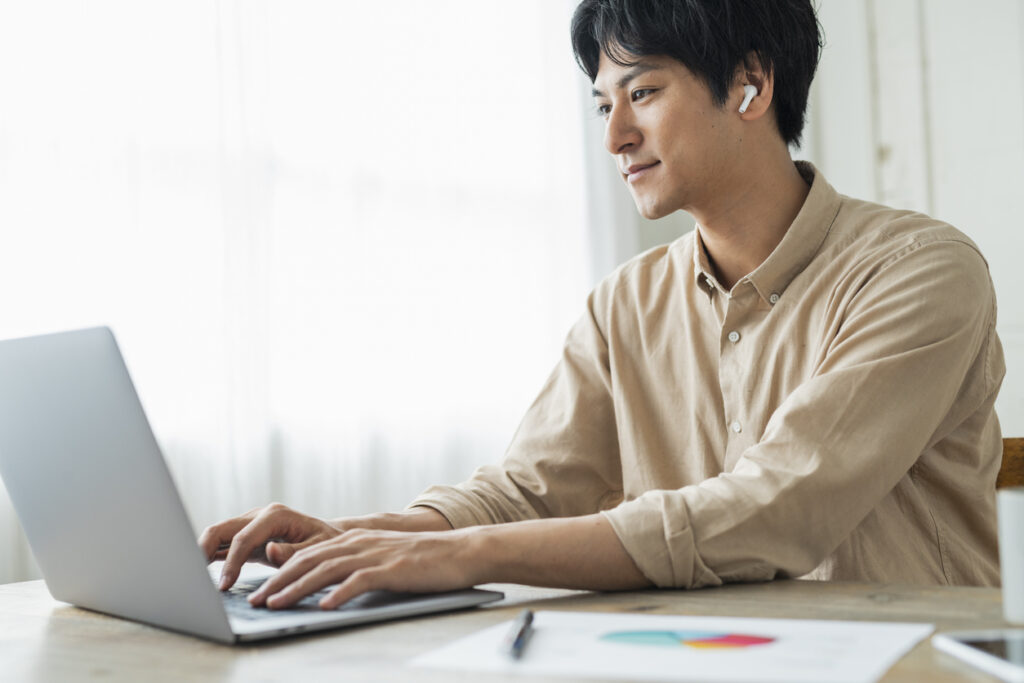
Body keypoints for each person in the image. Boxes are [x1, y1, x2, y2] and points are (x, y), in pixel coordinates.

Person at [199, 0, 1004, 611]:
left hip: (905, 655)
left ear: (752, 84)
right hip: (706, 656)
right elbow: (526, 490)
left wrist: (465, 557)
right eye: (601, 105)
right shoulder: (626, 301)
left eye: (643, 93)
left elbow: (776, 508)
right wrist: (361, 537)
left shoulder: (920, 271)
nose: (615, 134)